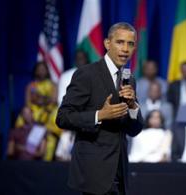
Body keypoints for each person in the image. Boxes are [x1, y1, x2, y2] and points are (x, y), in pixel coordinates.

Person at [56, 23, 144, 195]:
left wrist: (133, 106)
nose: (125, 49)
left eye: (130, 44)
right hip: (94, 173)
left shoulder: (129, 80)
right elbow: (63, 117)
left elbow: (134, 129)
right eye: (120, 42)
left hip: (120, 173)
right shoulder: (87, 74)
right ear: (107, 43)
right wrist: (99, 115)